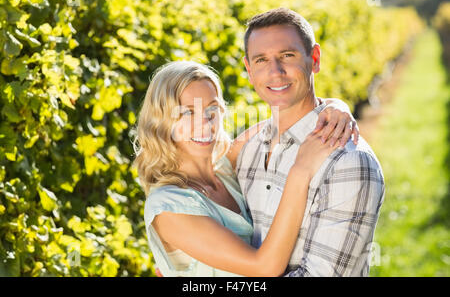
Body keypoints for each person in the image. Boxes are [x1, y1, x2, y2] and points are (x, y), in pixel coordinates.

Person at [133, 60, 359, 276]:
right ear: (161, 121)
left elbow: (292, 120)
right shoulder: (168, 206)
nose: (205, 123)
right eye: (187, 112)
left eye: (211, 109)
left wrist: (336, 107)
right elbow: (265, 267)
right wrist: (301, 171)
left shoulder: (225, 165)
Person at [236, 8, 385, 276]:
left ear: (314, 59)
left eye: (287, 55)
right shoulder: (247, 151)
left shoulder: (348, 160)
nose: (275, 72)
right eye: (261, 60)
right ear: (248, 70)